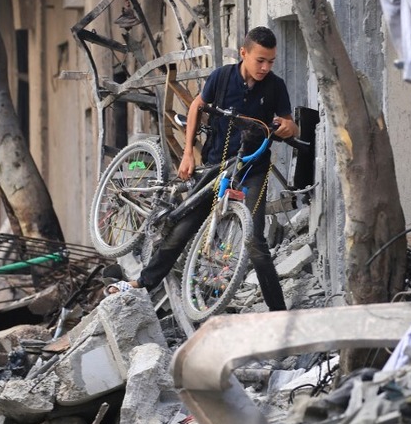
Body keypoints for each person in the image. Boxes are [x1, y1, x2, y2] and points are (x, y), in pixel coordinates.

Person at [120, 26, 299, 311]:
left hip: (253, 168)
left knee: (254, 241)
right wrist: (188, 152)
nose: (265, 67)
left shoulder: (275, 86)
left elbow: (290, 124)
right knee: (184, 227)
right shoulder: (221, 78)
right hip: (216, 163)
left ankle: (278, 312)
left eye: (271, 61)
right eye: (260, 60)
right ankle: (143, 282)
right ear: (244, 54)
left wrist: (287, 127)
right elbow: (196, 107)